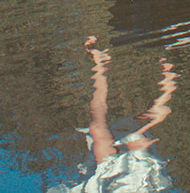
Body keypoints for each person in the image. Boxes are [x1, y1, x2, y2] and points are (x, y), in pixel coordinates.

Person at [46, 36, 179, 193]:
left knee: (100, 128)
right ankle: (163, 100)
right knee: (108, 130)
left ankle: (100, 65)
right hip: (130, 179)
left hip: (105, 176)